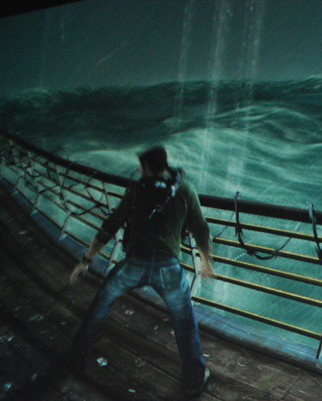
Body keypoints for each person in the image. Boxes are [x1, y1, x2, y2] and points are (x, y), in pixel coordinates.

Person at [68, 145, 215, 399]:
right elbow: (201, 229)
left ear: (147, 167)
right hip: (168, 268)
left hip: (134, 264)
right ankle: (194, 380)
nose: (139, 170)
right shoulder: (185, 190)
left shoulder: (137, 190)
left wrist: (86, 260)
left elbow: (112, 224)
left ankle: (75, 358)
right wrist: (206, 263)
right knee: (184, 322)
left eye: (140, 166)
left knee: (101, 304)